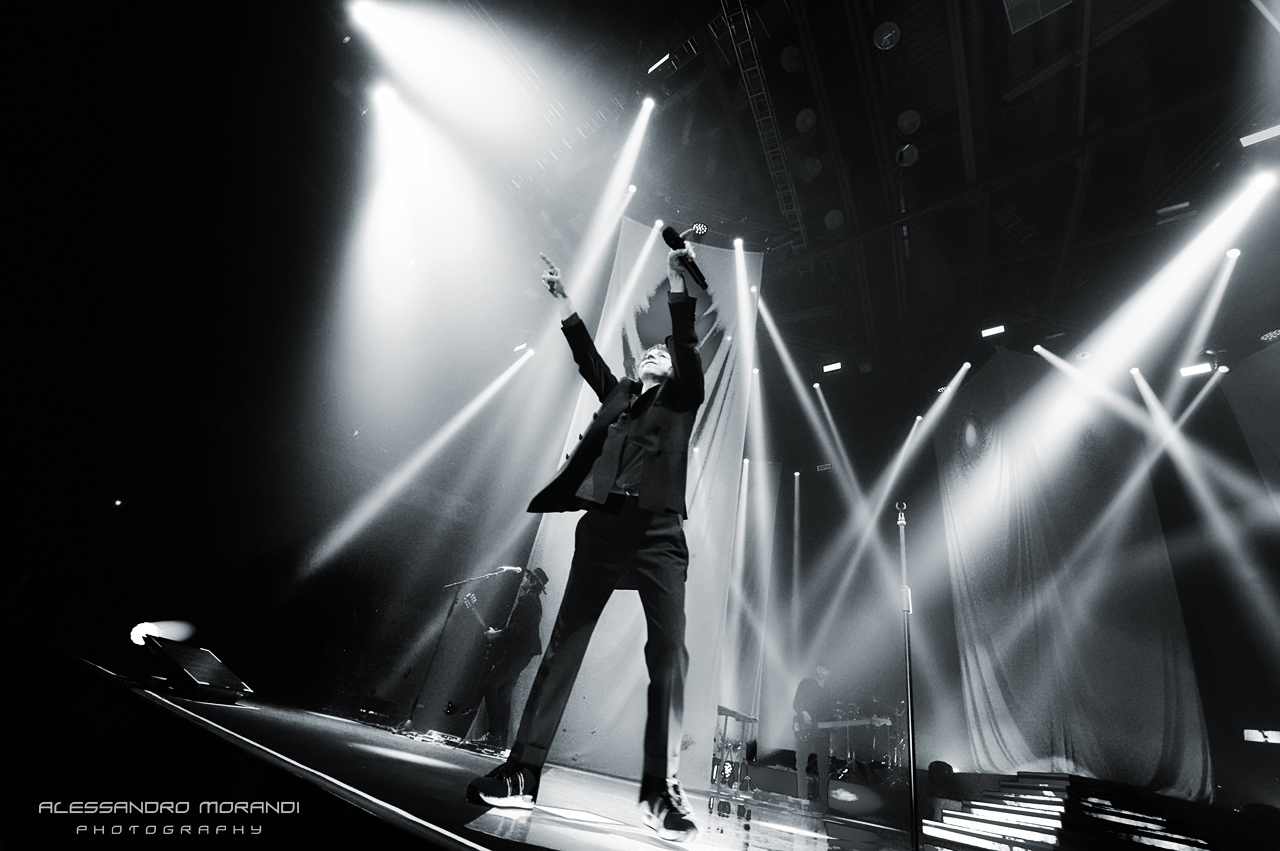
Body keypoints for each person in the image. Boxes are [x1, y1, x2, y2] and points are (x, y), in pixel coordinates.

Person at [467, 240, 705, 843]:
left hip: (657, 536)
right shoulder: (621, 396)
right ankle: (523, 772)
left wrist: (677, 286)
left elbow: (686, 347)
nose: (652, 353)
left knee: (668, 655)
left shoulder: (681, 400)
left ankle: (660, 792)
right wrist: (564, 299)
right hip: (601, 530)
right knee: (562, 648)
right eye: (647, 350)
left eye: (661, 351)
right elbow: (587, 358)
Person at [475, 567, 549, 750]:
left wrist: (497, 634)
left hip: (519, 653)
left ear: (532, 582)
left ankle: (494, 735)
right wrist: (498, 633)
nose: (523, 579)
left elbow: (518, 629)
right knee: (503, 693)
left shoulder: (530, 600)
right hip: (520, 653)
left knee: (490, 686)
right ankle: (499, 739)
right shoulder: (530, 600)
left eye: (526, 577)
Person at [793, 664, 834, 810]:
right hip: (805, 728)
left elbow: (832, 712)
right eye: (819, 667)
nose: (821, 670)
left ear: (828, 672)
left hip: (822, 731)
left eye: (824, 668)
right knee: (801, 763)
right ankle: (801, 798)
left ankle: (823, 801)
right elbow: (796, 703)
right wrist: (803, 712)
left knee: (823, 766)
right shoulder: (806, 683)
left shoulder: (830, 690)